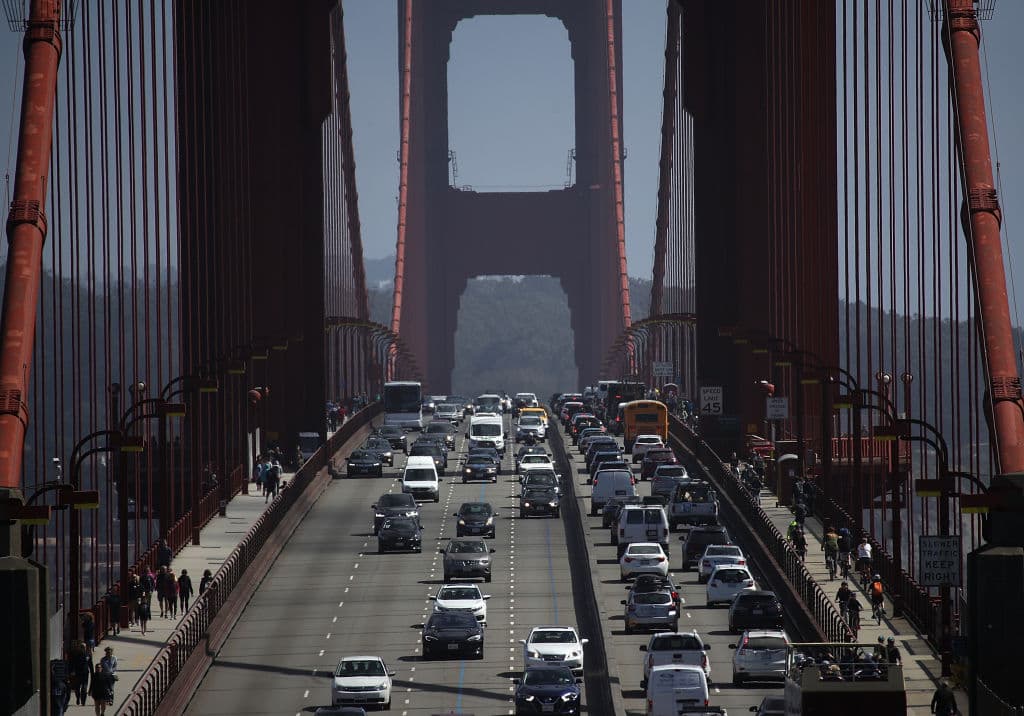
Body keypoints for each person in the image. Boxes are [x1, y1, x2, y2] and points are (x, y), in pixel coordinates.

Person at [69, 639, 91, 706]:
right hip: (77, 673)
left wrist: (93, 673)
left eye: (84, 647)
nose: (83, 648)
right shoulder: (75, 654)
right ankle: (78, 698)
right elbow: (71, 663)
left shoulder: (88, 654)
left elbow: (90, 664)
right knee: (77, 688)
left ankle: (83, 701)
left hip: (85, 673)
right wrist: (72, 671)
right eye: (82, 647)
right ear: (80, 647)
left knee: (84, 688)